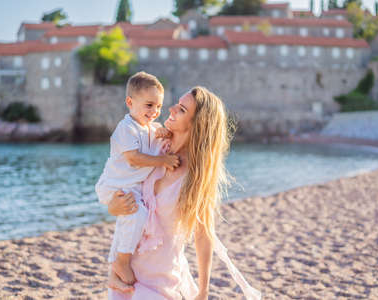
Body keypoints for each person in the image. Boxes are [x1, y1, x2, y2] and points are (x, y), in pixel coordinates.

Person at [106, 87, 262, 299]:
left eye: (180, 109)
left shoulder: (196, 177)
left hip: (160, 280)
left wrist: (204, 289)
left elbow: (204, 233)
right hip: (125, 272)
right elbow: (120, 180)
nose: (169, 108)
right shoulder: (153, 145)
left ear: (197, 123)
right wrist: (112, 206)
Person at [95, 71, 180, 290]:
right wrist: (163, 160)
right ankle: (121, 262)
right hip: (115, 185)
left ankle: (115, 269)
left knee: (128, 222)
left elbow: (157, 134)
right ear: (130, 102)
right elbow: (134, 158)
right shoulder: (126, 128)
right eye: (149, 105)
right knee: (136, 215)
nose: (154, 112)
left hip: (130, 186)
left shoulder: (149, 127)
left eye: (159, 107)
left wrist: (163, 132)